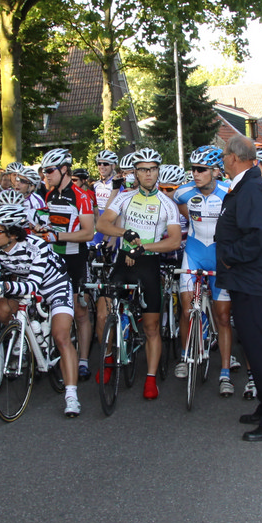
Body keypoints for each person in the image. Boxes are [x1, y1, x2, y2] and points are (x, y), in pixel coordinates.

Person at [216, 134, 262, 441]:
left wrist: (229, 256)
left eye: (224, 156)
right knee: (254, 349)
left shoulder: (253, 188)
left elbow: (259, 235)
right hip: (244, 281)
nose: (222, 161)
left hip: (252, 281)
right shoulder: (246, 185)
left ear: (234, 157)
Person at [95, 147, 182, 400]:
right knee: (102, 312)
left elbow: (175, 241)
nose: (148, 174)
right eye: (143, 169)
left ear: (158, 171)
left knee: (152, 327)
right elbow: (102, 223)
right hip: (123, 262)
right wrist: (125, 233)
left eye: (153, 169)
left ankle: (151, 378)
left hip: (148, 264)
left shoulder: (168, 204)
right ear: (135, 172)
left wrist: (144, 248)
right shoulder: (124, 198)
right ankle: (108, 357)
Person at [0, 203, 82, 417]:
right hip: (22, 285)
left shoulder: (37, 246)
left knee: (61, 336)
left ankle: (71, 395)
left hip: (54, 285)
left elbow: (33, 285)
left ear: (13, 234)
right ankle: (23, 339)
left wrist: (4, 286)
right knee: (1, 309)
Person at [174, 145, 237, 395]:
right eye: (193, 169)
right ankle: (184, 355)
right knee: (186, 308)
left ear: (216, 171)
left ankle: (225, 372)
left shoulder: (229, 191)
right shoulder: (184, 192)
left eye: (201, 169)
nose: (195, 174)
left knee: (223, 317)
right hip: (194, 255)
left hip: (220, 258)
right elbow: (177, 207)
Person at [40, 149, 97, 381]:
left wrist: (59, 237)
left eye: (50, 170)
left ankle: (83, 360)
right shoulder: (49, 195)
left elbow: (88, 233)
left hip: (75, 258)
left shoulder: (81, 196)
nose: (46, 175)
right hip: (54, 259)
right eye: (44, 171)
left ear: (64, 169)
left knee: (80, 311)